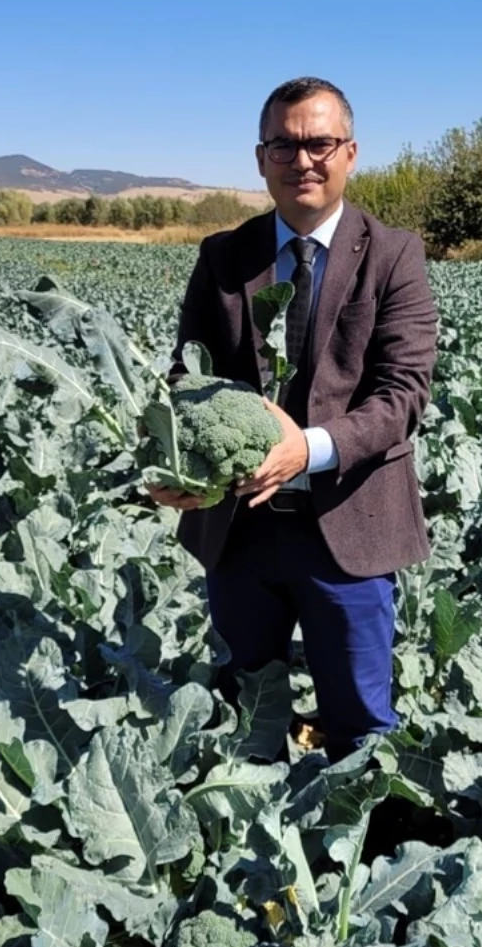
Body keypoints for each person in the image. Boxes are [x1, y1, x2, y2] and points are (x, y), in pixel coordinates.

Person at [147, 76, 438, 761]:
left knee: (361, 724)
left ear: (351, 153)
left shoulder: (394, 255)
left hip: (348, 533)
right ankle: (260, 861)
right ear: (260, 158)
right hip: (239, 533)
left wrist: (306, 450)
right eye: (284, 144)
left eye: (319, 143)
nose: (302, 159)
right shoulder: (224, 256)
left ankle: (352, 860)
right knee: (249, 720)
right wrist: (173, 461)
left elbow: (403, 397)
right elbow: (184, 381)